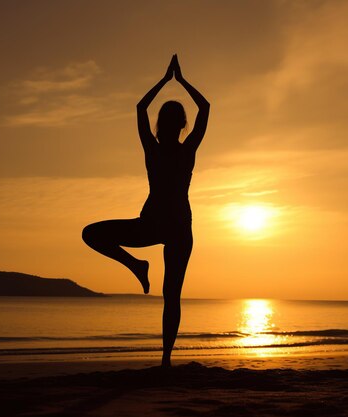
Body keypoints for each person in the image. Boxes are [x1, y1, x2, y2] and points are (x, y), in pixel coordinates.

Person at [82, 54, 209, 367]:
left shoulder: (154, 149)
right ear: (182, 125)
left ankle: (136, 265)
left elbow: (141, 108)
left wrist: (165, 81)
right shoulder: (186, 150)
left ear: (161, 124)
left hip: (158, 224)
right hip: (174, 224)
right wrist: (180, 81)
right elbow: (205, 108)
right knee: (171, 295)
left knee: (92, 234)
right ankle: (165, 359)